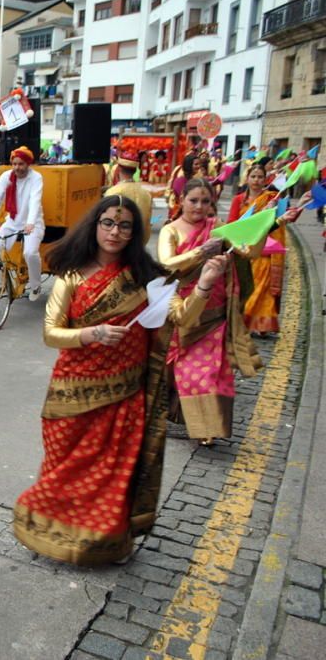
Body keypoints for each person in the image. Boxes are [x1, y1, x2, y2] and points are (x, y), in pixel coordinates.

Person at [13, 195, 227, 565]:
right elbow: (51, 333)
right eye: (108, 223)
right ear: (95, 226)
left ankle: (106, 544)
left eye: (124, 225)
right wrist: (90, 334)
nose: (115, 231)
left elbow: (180, 318)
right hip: (72, 394)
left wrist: (205, 282)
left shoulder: (145, 276)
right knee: (66, 472)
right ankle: (47, 532)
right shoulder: (72, 275)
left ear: (134, 232)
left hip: (125, 393)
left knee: (112, 474)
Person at [158, 178, 264, 445]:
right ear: (180, 200)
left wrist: (272, 223)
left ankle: (207, 428)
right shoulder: (170, 231)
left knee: (209, 375)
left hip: (215, 314)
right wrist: (199, 253)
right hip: (183, 310)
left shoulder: (217, 228)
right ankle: (172, 416)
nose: (199, 206)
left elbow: (248, 252)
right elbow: (167, 265)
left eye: (206, 201)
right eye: (193, 200)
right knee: (177, 372)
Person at [227, 164, 291, 336]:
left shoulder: (271, 198)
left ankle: (262, 325)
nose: (256, 180)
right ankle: (244, 321)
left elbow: (282, 221)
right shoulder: (239, 200)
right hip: (245, 250)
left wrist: (272, 210)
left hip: (266, 250)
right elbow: (232, 224)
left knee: (262, 289)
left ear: (265, 180)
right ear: (247, 178)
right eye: (253, 176)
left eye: (260, 177)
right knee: (246, 288)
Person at [0, 146, 46, 300]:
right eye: (14, 164)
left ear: (28, 164)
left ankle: (36, 286)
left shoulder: (35, 177)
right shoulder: (6, 177)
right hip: (12, 221)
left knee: (29, 253)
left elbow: (35, 200)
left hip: (33, 222)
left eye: (21, 164)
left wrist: (30, 223)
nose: (17, 167)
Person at [105, 150, 153, 243]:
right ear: (135, 170)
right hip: (139, 243)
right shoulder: (146, 194)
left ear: (118, 169)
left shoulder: (113, 192)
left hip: (116, 242)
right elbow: (147, 224)